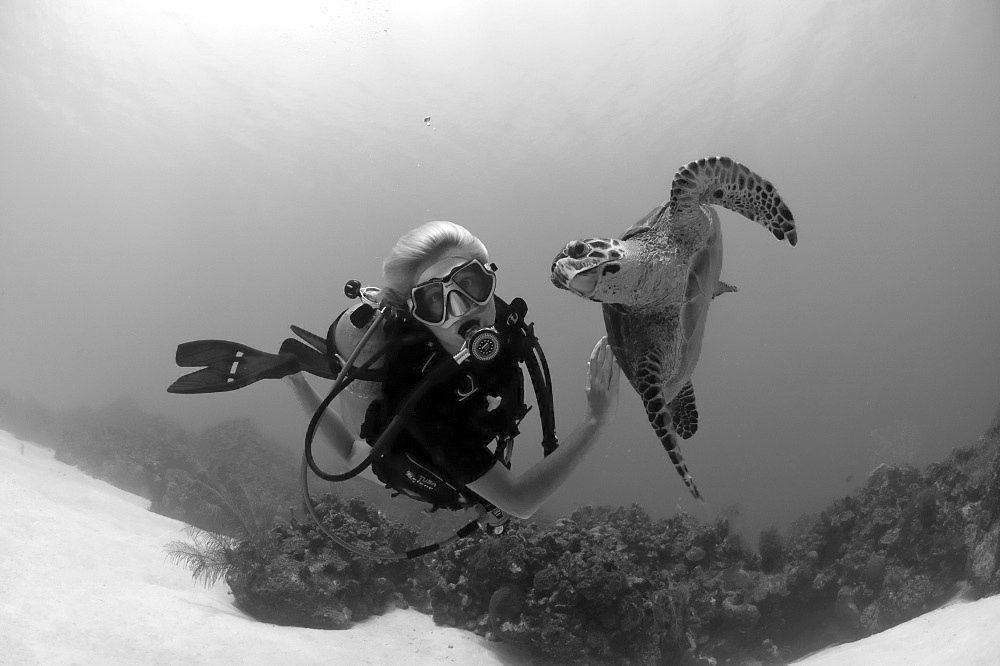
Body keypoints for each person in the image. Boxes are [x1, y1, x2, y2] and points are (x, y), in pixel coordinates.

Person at [283, 221, 620, 520]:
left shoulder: (503, 322)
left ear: (490, 277)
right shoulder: (418, 394)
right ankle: (293, 375)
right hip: (414, 438)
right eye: (435, 301)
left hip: (468, 416)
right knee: (357, 457)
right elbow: (519, 503)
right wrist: (595, 421)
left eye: (470, 283)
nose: (461, 309)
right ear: (418, 315)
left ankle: (319, 367)